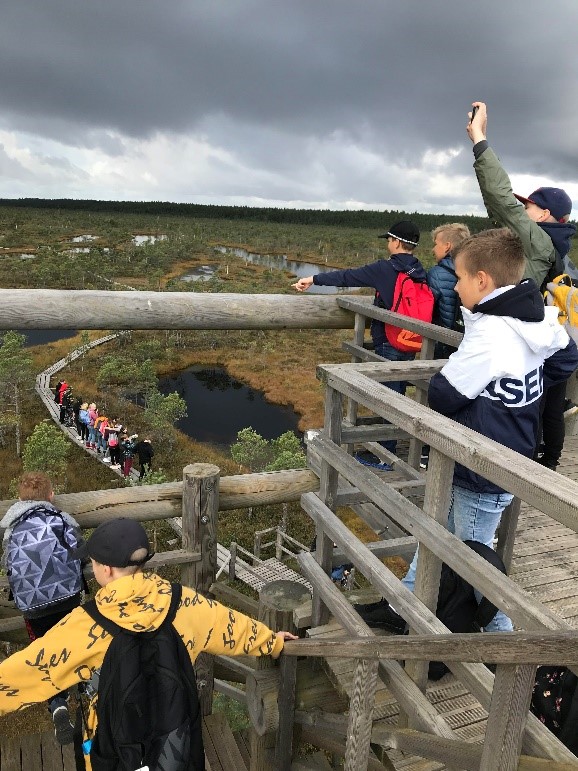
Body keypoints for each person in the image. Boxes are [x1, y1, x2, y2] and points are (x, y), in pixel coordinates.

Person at [357, 229, 578, 633]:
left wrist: (496, 385)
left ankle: (503, 643)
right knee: (436, 535)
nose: (455, 286)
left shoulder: (493, 336)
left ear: (482, 280)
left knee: (478, 565)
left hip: (481, 467)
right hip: (502, 453)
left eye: (459, 277)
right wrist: (521, 391)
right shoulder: (534, 318)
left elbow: (443, 393)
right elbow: (566, 359)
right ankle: (399, 608)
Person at [0, 518, 298, 769]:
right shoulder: (185, 603)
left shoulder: (87, 623)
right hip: (174, 732)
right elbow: (232, 627)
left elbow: (31, 668)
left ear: (106, 569)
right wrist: (273, 642)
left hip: (116, 740)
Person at [467, 101, 577, 470]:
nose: (524, 212)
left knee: (526, 404)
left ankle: (523, 466)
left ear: (544, 214)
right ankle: (550, 462)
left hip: (538, 345)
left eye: (529, 208)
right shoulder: (562, 249)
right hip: (561, 342)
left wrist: (480, 140)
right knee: (550, 404)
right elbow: (501, 209)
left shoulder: (538, 241)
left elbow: (502, 200)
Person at [293, 220, 426, 470]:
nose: (388, 243)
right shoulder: (418, 270)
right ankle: (393, 450)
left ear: (397, 242)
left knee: (388, 400)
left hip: (389, 341)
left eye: (389, 240)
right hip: (410, 340)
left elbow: (347, 276)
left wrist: (313, 279)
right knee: (397, 395)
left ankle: (385, 458)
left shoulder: (385, 269)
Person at [0, 472, 84, 744]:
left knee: (43, 648)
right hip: (68, 597)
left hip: (34, 606)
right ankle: (83, 685)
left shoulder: (11, 527)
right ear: (51, 496)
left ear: (20, 499)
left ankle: (57, 702)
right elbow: (78, 553)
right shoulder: (61, 519)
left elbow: (9, 566)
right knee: (73, 640)